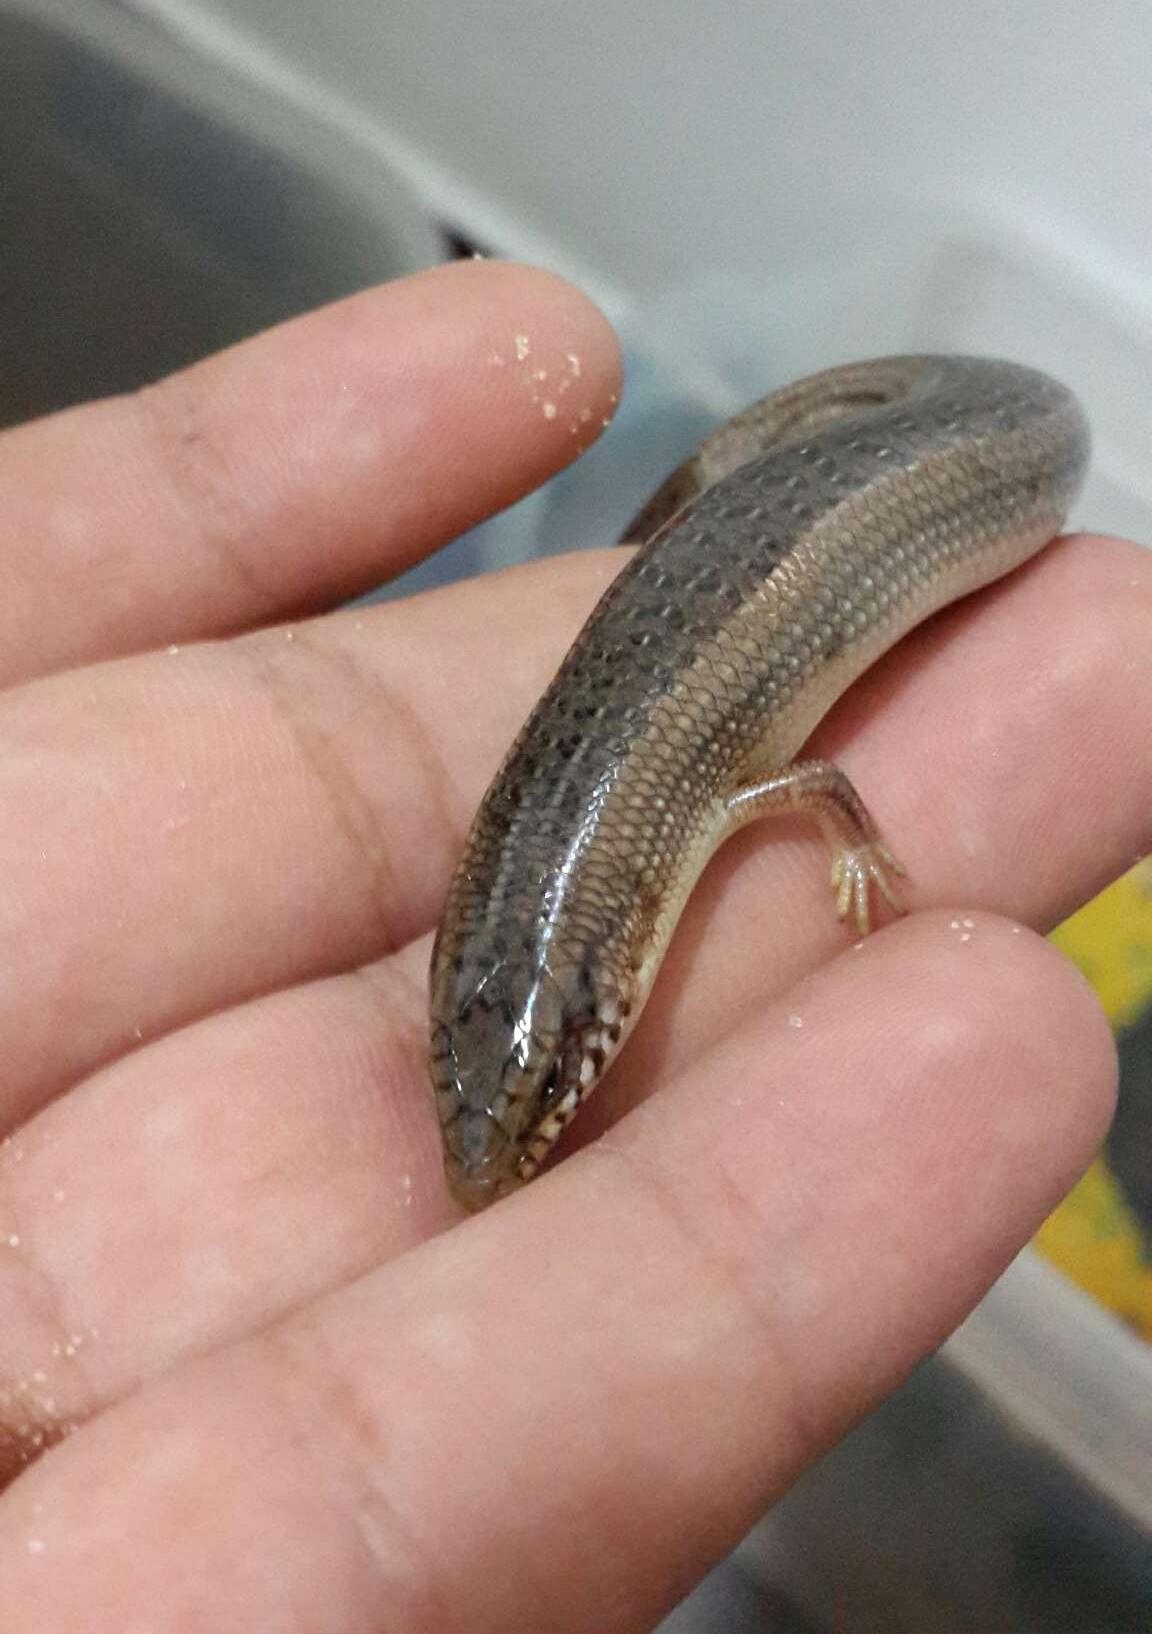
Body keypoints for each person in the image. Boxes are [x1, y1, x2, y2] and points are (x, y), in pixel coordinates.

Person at [0, 259, 1131, 1630]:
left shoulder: (667, 834)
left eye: (549, 1089)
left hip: (1000, 462)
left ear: (614, 983)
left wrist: (856, 848)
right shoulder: (628, 857)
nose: (518, 1133)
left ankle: (775, 460)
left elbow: (814, 787)